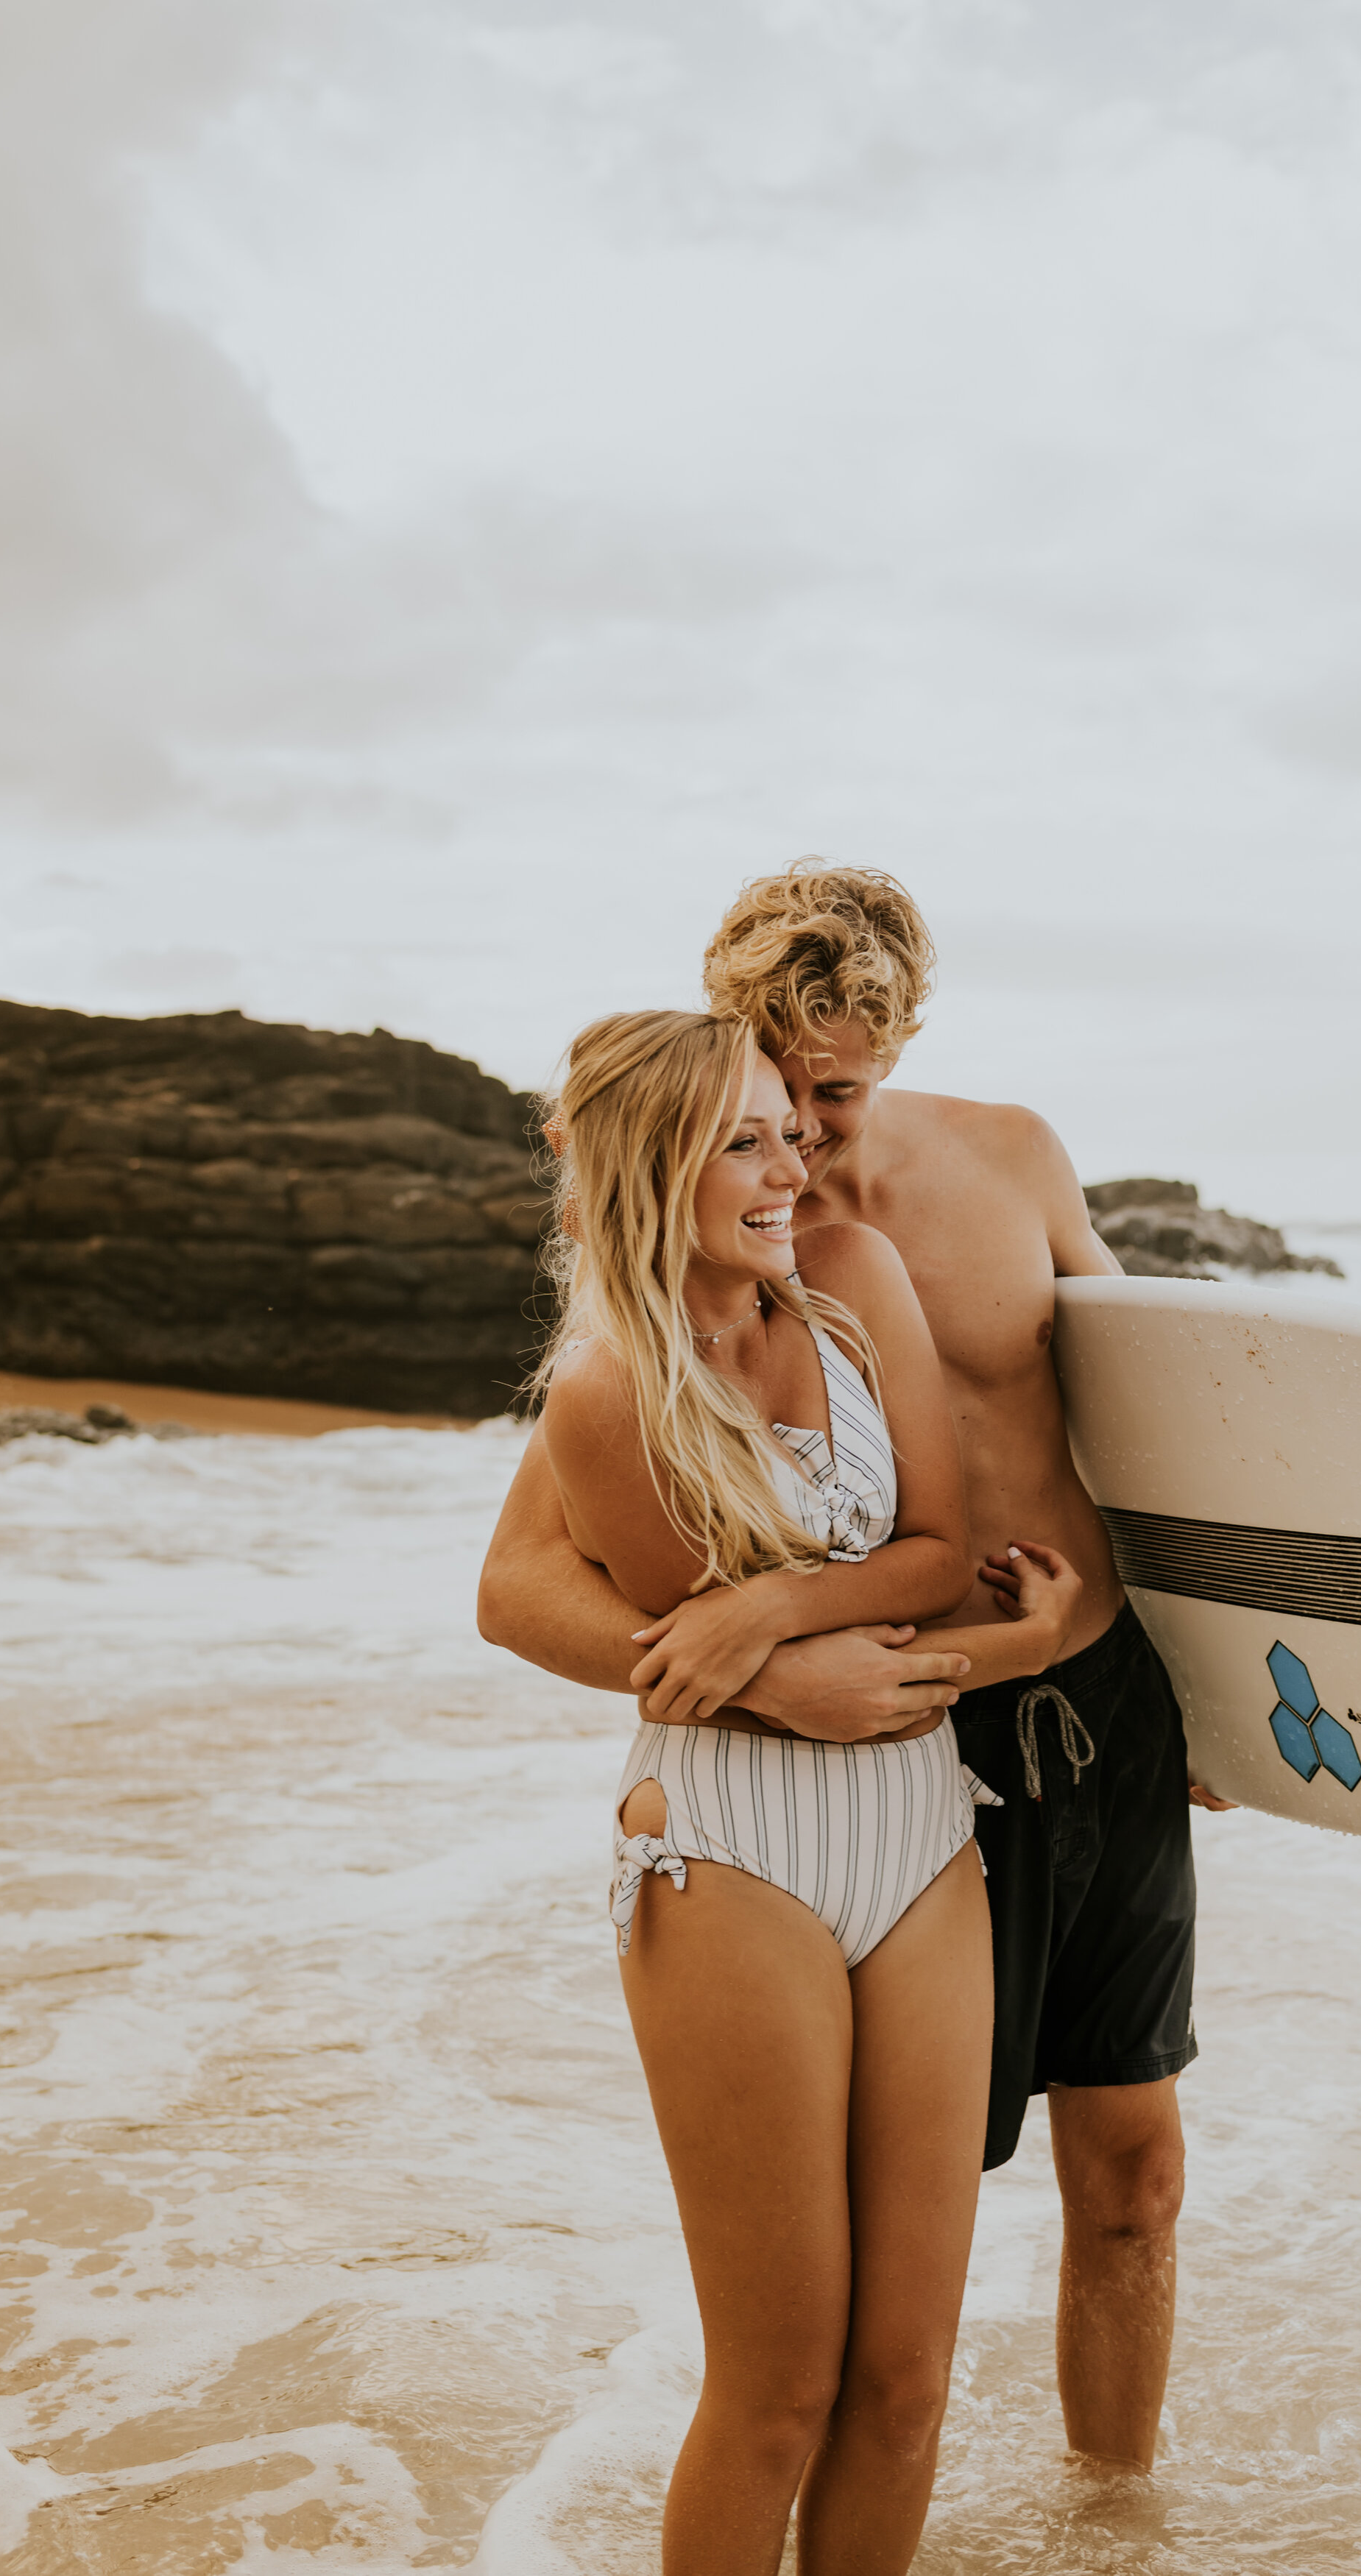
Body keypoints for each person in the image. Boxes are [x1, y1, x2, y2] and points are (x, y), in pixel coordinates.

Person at [481, 865, 1231, 2476]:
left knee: (1134, 2168)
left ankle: (1114, 2517)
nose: (809, 1135)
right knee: (890, 2243)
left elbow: (1163, 1430)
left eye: (842, 1091)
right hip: (892, 1750)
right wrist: (750, 1675)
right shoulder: (720, 1257)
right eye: (779, 1088)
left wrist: (1224, 1678)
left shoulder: (1010, 1157)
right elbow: (517, 1579)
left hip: (1095, 1694)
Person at [531, 1005, 1086, 2576]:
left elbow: (924, 1545)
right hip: (730, 1850)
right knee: (777, 2388)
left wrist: (776, 1605)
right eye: (747, 1141)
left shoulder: (850, 1285)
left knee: (906, 2382)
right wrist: (855, 1645)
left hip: (921, 1838)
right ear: (654, 1168)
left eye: (793, 1124)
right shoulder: (605, 1395)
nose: (795, 1165)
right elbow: (732, 1696)